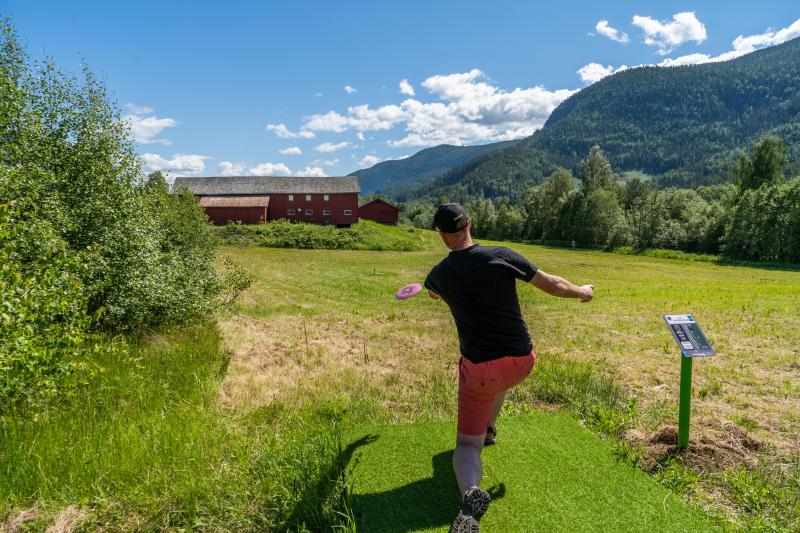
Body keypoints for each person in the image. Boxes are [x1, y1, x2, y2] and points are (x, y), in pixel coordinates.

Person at [424, 203, 594, 533]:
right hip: (522, 362)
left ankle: (471, 494)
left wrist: (440, 290)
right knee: (498, 377)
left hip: (482, 373)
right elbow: (554, 284)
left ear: (441, 235)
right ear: (470, 223)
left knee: (465, 446)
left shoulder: (439, 274)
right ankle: (489, 429)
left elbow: (432, 295)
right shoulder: (501, 255)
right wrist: (583, 292)